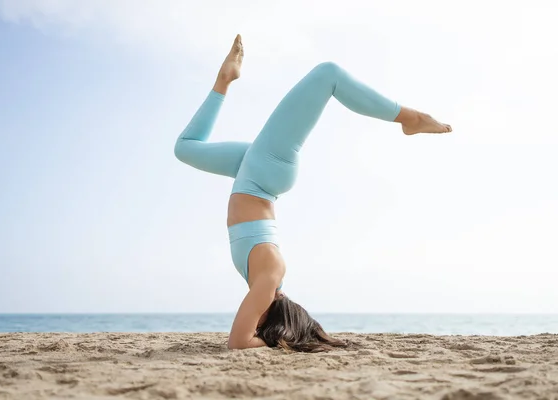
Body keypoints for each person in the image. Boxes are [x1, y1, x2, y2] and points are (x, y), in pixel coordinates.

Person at [174, 34, 452, 352]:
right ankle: (411, 118)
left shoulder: (263, 281)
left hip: (253, 174)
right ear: (275, 321)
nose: (254, 323)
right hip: (266, 172)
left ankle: (225, 80)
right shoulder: (268, 280)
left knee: (185, 149)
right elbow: (238, 342)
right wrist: (273, 344)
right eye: (260, 325)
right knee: (328, 74)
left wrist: (270, 342)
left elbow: (244, 338)